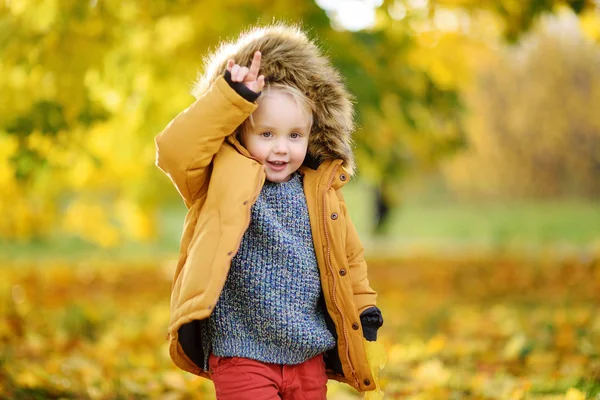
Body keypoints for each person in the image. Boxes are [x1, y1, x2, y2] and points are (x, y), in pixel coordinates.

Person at [155, 23, 383, 399]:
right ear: (241, 132)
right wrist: (231, 100)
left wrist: (364, 306)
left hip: (307, 354)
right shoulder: (220, 177)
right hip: (241, 353)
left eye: (294, 135)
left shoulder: (320, 191)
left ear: (312, 135)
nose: (281, 148)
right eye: (266, 134)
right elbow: (175, 150)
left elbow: (348, 258)